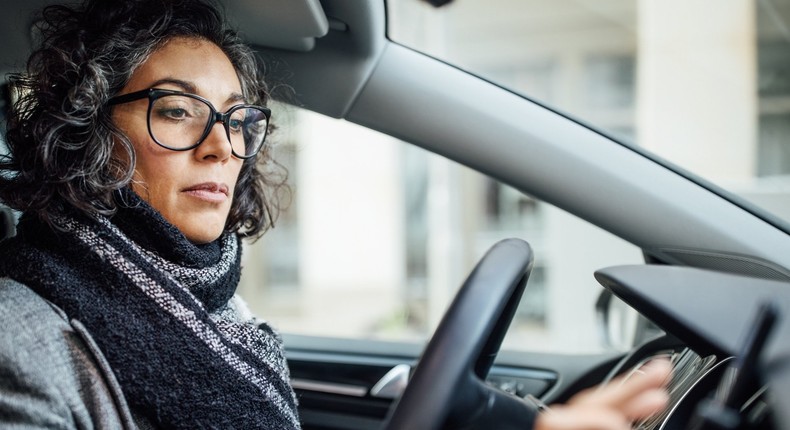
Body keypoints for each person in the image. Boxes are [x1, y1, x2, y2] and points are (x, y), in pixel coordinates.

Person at [0, 0, 670, 429]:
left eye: (239, 120)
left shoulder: (216, 311)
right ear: (88, 128)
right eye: (176, 110)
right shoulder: (17, 337)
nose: (222, 146)